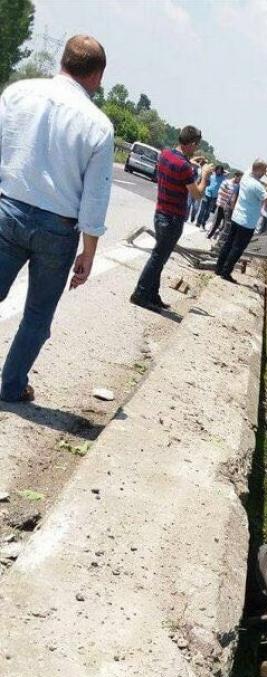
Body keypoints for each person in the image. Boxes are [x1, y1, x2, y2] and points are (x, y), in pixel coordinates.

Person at [0, 34, 113, 403]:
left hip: (8, 211)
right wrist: (89, 252)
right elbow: (95, 197)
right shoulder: (98, 125)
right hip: (57, 231)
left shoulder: (18, 93)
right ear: (96, 75)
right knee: (37, 315)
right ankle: (11, 386)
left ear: (62, 61)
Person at [130, 127, 213, 311]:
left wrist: (190, 162)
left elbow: (177, 165)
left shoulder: (166, 155)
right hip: (173, 218)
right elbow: (198, 194)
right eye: (196, 145)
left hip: (160, 213)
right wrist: (205, 175)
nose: (197, 148)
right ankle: (140, 293)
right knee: (158, 258)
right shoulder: (184, 167)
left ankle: (152, 294)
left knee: (159, 257)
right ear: (191, 144)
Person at [215, 159, 267, 282]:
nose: (265, 173)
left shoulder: (245, 177)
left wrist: (264, 169)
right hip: (247, 222)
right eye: (264, 171)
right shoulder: (257, 186)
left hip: (237, 217)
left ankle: (219, 268)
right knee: (237, 248)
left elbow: (253, 167)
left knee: (228, 243)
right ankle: (226, 272)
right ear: (259, 170)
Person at [208, 170, 240, 240]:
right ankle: (209, 236)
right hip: (221, 205)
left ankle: (217, 235)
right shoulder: (226, 182)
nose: (240, 180)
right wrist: (229, 196)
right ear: (235, 176)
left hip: (229, 208)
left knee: (224, 225)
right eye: (239, 178)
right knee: (216, 223)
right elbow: (220, 192)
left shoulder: (238, 186)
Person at [197, 164, 225, 229]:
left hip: (214, 197)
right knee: (202, 209)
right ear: (216, 170)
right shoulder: (211, 175)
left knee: (208, 211)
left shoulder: (223, 178)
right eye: (218, 170)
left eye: (220, 171)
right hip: (207, 194)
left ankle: (203, 223)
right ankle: (198, 222)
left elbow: (227, 179)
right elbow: (205, 180)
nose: (218, 171)